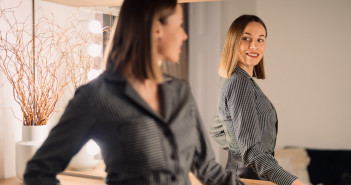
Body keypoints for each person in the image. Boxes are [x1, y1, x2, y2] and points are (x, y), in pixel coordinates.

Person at [23, 0, 244, 185]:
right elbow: (39, 171)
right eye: (179, 25)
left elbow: (208, 169)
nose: (184, 36)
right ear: (157, 29)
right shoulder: (95, 97)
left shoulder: (181, 92)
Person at [212, 15, 307, 185]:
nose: (254, 45)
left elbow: (216, 130)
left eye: (260, 39)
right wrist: (293, 182)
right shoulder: (240, 83)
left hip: (244, 174)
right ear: (233, 41)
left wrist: (238, 150)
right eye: (246, 38)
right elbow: (252, 152)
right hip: (249, 179)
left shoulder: (234, 80)